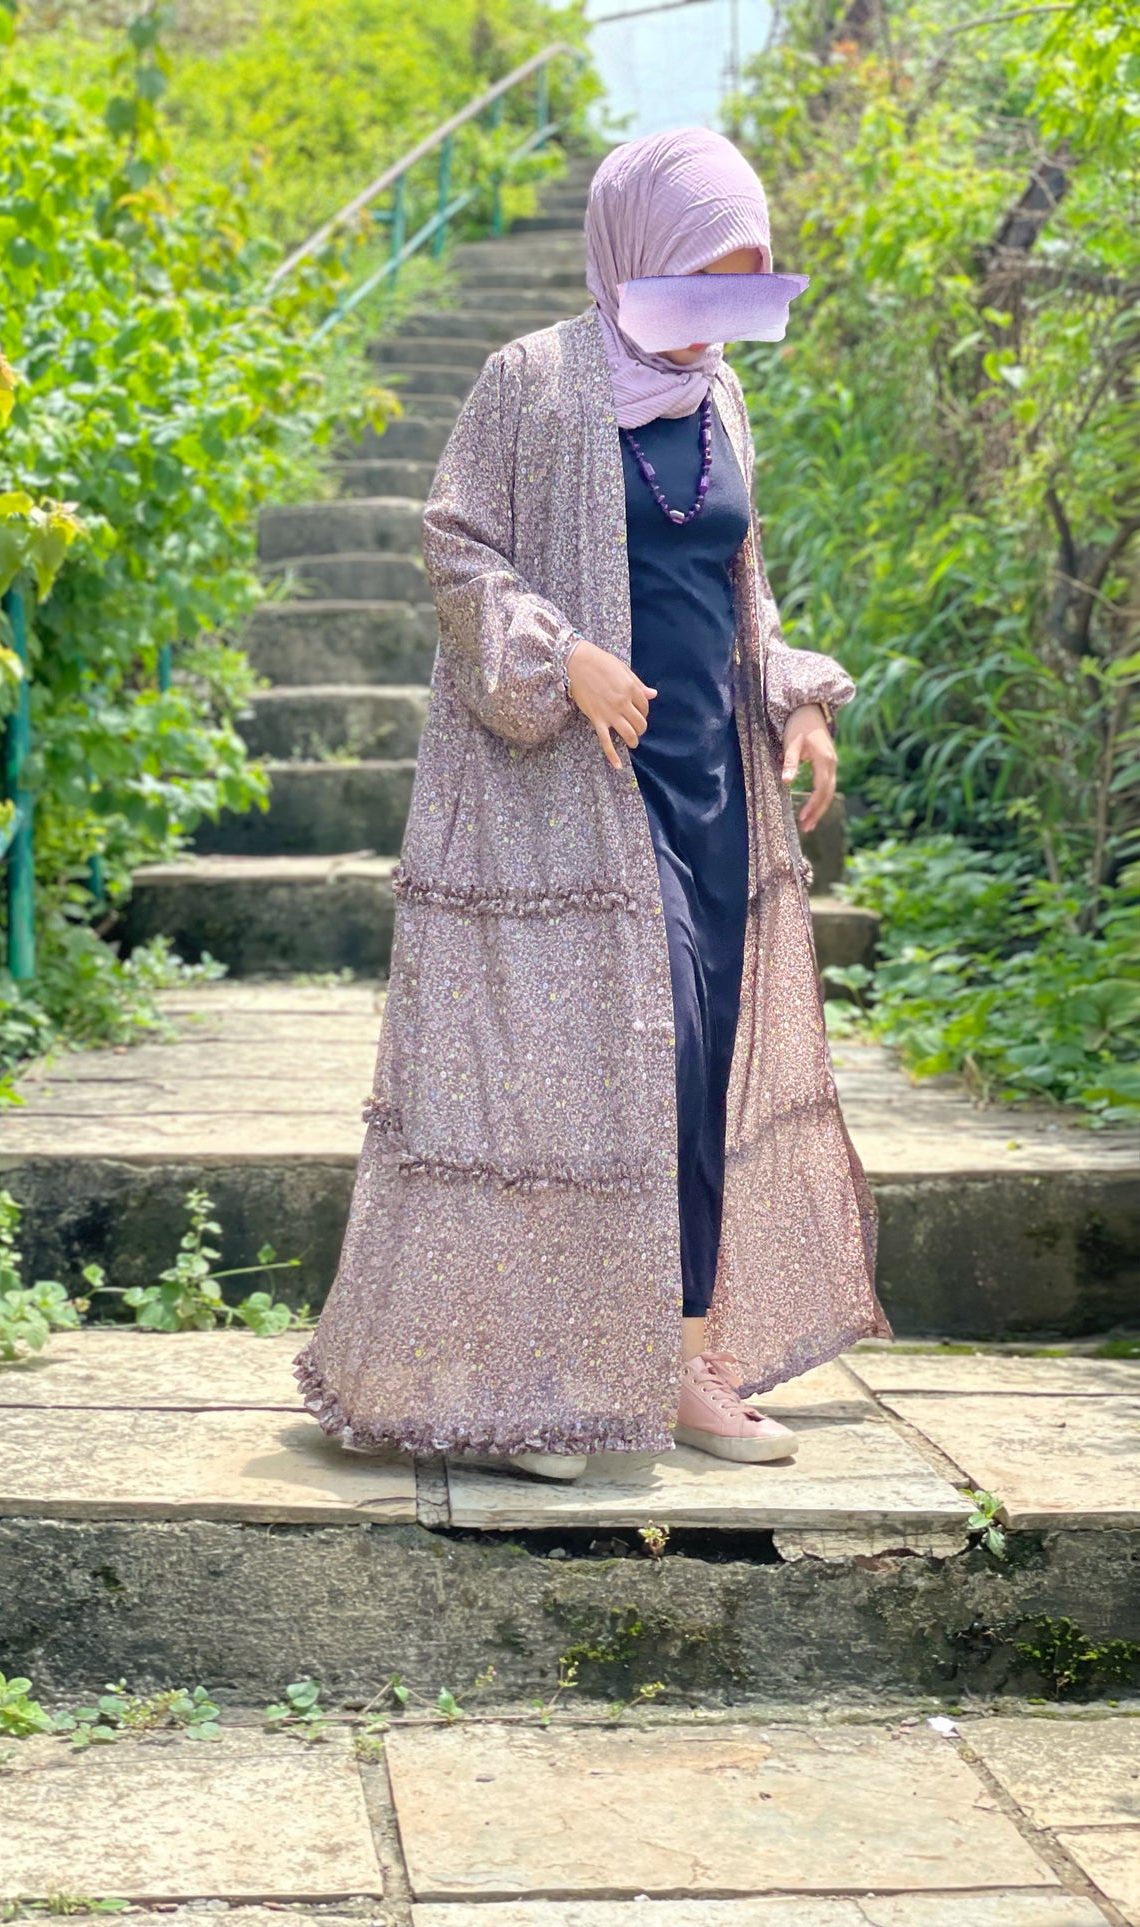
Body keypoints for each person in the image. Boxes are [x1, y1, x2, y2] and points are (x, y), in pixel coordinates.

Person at [294, 129, 889, 1483]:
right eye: (702, 277)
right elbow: (457, 548)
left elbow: (742, 588)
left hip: (707, 789)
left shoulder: (721, 401)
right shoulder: (532, 383)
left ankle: (674, 1366)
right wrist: (558, 653)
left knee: (690, 1072)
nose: (719, 313)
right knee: (596, 1071)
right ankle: (544, 1382)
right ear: (635, 254)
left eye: (745, 281)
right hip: (569, 800)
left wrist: (793, 696)